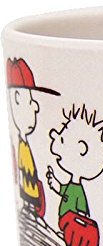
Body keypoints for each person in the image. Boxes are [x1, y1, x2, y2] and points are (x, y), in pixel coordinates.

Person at [46, 104, 103, 246]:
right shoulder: (72, 186)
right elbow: (62, 190)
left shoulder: (78, 190)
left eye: (62, 140)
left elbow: (82, 213)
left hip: (71, 227)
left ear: (81, 150)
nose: (53, 135)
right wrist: (53, 181)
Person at [6, 57, 60, 218]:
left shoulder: (25, 146)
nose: (36, 107)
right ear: (16, 98)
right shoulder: (22, 146)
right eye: (30, 100)